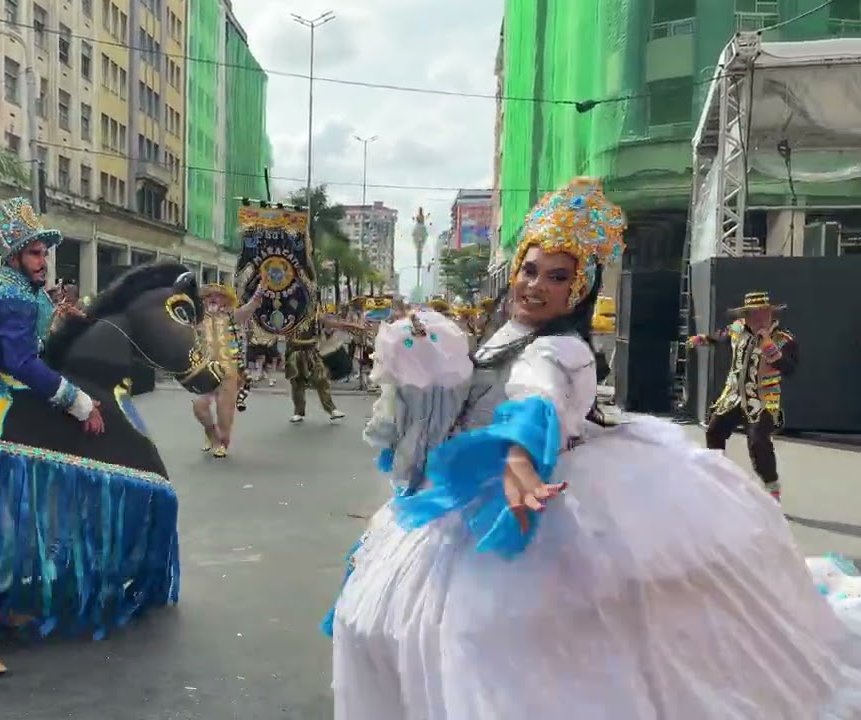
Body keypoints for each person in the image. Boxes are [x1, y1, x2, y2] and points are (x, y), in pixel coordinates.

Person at [326, 178, 861, 719]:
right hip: (473, 494)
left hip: (547, 489)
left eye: (557, 277)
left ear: (579, 289)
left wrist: (519, 457)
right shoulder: (506, 329)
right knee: (395, 624)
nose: (536, 286)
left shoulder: (561, 349)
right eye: (530, 270)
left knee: (497, 642)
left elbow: (538, 399)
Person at [0, 197, 105, 677]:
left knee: (10, 522)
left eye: (44, 253)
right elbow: (20, 363)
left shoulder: (15, 288)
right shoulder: (11, 295)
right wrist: (79, 402)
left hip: (2, 417)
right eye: (35, 253)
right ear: (15, 255)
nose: (44, 261)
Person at [688, 291, 798, 501]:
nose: (758, 318)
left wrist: (768, 345)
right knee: (714, 431)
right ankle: (718, 479)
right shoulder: (738, 329)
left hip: (764, 400)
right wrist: (701, 339)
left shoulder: (784, 340)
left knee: (758, 442)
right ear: (745, 316)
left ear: (771, 314)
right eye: (752, 313)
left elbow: (789, 368)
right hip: (733, 397)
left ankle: (772, 488)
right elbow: (721, 336)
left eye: (762, 313)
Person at [193, 283, 262, 458]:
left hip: (228, 373)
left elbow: (251, 306)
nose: (213, 298)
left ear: (225, 300)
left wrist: (261, 287)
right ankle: (212, 434)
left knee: (224, 415)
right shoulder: (197, 319)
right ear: (204, 300)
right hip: (205, 372)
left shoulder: (232, 317)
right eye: (209, 296)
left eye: (218, 295)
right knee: (199, 406)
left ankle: (221, 443)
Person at [284, 311, 361, 423]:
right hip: (294, 352)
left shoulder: (314, 313)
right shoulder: (291, 315)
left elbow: (330, 323)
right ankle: (298, 412)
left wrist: (353, 325)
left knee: (321, 379)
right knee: (297, 382)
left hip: (311, 352)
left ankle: (332, 410)